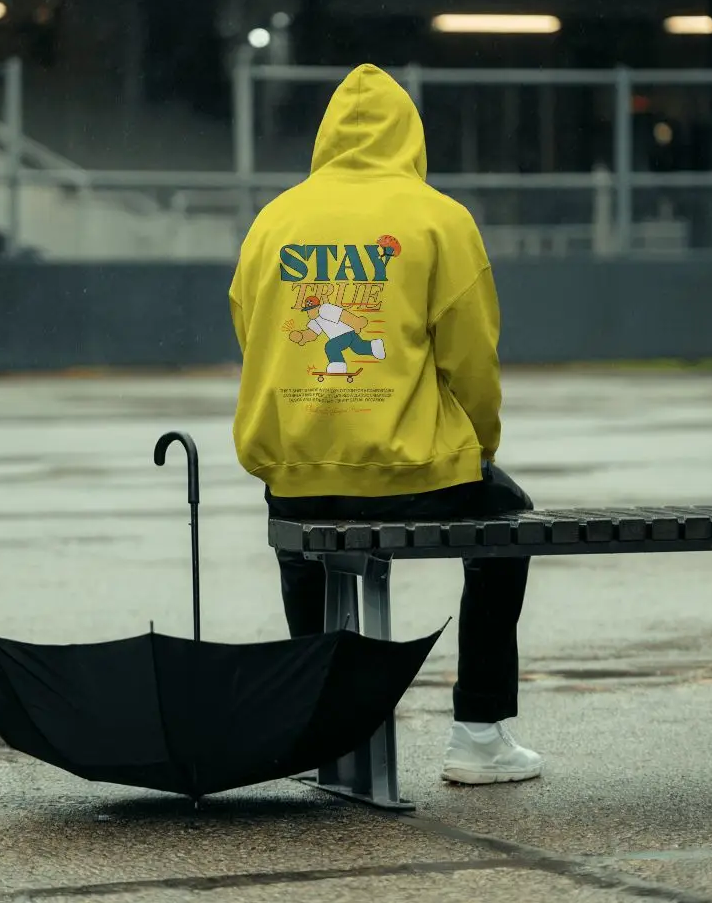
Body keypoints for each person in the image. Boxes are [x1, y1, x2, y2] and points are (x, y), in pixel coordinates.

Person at [229, 63, 543, 785]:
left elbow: (255, 337)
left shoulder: (275, 219)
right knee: (510, 521)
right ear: (411, 135)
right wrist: (479, 450)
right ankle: (478, 733)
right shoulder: (439, 219)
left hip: (301, 475)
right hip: (417, 480)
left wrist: (309, 427)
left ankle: (317, 731)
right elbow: (473, 360)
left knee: (301, 538)